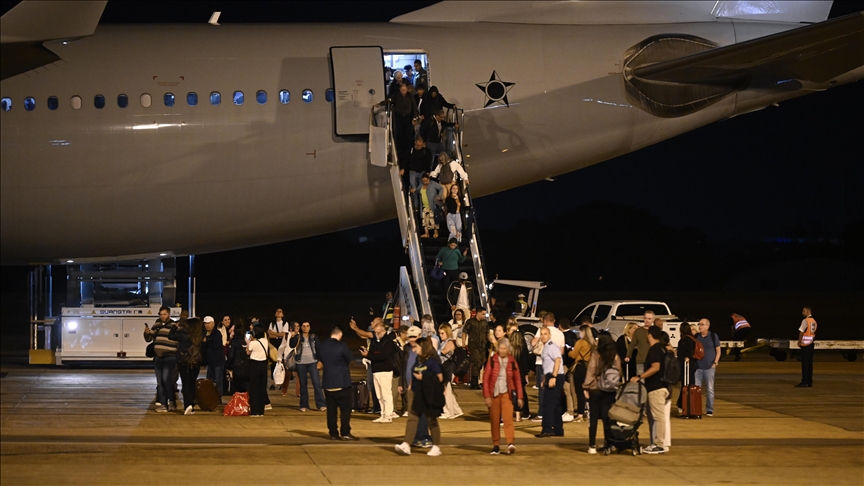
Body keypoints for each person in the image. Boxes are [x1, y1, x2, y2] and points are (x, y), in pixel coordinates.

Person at [395, 337, 445, 456]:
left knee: (431, 419)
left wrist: (424, 378)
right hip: (418, 393)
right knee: (412, 417)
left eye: (416, 347)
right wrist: (411, 387)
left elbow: (440, 378)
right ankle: (407, 444)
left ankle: (436, 446)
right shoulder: (419, 360)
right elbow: (414, 373)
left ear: (423, 347)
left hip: (429, 393)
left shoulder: (432, 361)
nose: (414, 350)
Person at [630, 326, 669, 454]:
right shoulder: (663, 349)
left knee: (658, 417)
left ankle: (658, 444)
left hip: (656, 387)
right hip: (662, 386)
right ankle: (655, 443)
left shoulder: (654, 350)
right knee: (655, 416)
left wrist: (639, 376)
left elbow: (656, 367)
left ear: (650, 335)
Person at [583, 333, 622, 454]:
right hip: (609, 391)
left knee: (593, 418)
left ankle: (592, 445)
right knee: (607, 418)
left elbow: (591, 371)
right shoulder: (615, 356)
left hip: (595, 389)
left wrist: (586, 387)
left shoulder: (596, 354)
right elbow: (619, 373)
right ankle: (608, 444)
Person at [483, 337, 523, 455]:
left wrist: (520, 396)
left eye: (504, 348)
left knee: (508, 419)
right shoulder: (492, 360)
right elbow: (486, 379)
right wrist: (487, 396)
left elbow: (517, 379)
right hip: (494, 393)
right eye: (500, 348)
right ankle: (496, 445)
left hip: (507, 394)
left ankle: (510, 443)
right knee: (494, 420)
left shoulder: (512, 362)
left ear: (508, 349)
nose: (502, 350)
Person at [319, 325, 358, 440]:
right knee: (345, 410)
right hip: (342, 383)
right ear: (339, 334)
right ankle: (345, 432)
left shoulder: (322, 346)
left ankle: (333, 433)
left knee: (331, 411)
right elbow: (350, 360)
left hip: (328, 383)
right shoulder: (342, 346)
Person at [143, 306, 178, 412]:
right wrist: (147, 333)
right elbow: (149, 339)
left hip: (170, 356)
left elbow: (178, 339)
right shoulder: (157, 325)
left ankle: (171, 401)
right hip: (158, 357)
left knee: (166, 380)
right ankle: (163, 404)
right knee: (160, 382)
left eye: (164, 314)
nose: (162, 316)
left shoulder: (174, 325)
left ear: (169, 314)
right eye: (161, 314)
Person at [361, 320, 397, 423]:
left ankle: (388, 415)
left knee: (386, 394)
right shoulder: (376, 341)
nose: (376, 334)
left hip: (385, 370)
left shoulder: (388, 341)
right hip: (376, 370)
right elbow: (375, 353)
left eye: (378, 332)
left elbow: (383, 355)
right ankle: (383, 413)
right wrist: (368, 354)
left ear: (383, 330)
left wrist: (369, 355)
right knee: (379, 394)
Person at [169, 316, 203, 415]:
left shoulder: (183, 334)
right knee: (192, 383)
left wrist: (175, 326)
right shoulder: (199, 336)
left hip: (184, 361)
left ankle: (187, 405)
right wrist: (199, 321)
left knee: (186, 383)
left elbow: (171, 336)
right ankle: (191, 405)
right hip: (196, 362)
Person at [289, 322, 326, 412]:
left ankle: (321, 404)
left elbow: (319, 349)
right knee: (303, 385)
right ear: (301, 328)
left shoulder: (313, 337)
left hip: (313, 362)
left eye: (307, 326)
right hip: (301, 363)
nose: (305, 328)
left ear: (310, 327)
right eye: (304, 326)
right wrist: (293, 336)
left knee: (317, 384)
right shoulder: (298, 337)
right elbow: (292, 345)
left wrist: (320, 361)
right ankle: (304, 405)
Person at [536, 327, 564, 437]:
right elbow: (548, 364)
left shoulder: (551, 346)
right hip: (550, 375)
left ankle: (547, 428)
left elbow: (557, 360)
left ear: (550, 335)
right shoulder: (547, 346)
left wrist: (553, 377)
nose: (543, 336)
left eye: (545, 334)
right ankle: (558, 429)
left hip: (555, 375)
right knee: (555, 404)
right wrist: (544, 378)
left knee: (548, 403)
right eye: (541, 334)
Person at [437, 323, 464, 419]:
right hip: (444, 368)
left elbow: (443, 352)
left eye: (442, 333)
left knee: (446, 391)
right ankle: (457, 410)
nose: (440, 335)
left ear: (447, 333)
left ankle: (449, 412)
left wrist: (433, 350)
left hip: (448, 369)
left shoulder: (450, 342)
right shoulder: (443, 342)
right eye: (439, 333)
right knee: (448, 391)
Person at [506, 318, 531, 420]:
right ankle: (522, 412)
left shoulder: (513, 346)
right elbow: (526, 359)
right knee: (519, 392)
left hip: (516, 372)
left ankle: (521, 411)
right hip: (519, 372)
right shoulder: (521, 345)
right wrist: (526, 373)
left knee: (517, 392)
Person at [695, 318, 720, 416]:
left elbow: (718, 350)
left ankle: (709, 409)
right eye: (699, 324)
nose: (700, 326)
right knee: (697, 389)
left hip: (709, 367)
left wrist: (715, 363)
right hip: (698, 367)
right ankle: (696, 409)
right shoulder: (696, 337)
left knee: (710, 389)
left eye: (702, 324)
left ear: (707, 326)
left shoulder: (713, 336)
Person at [245, 324, 269, 417]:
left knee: (254, 388)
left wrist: (248, 342)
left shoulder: (253, 343)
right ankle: (261, 411)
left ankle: (254, 411)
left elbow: (248, 351)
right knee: (262, 388)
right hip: (263, 365)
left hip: (254, 365)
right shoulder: (265, 341)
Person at [462, 307, 490, 390]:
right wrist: (464, 343)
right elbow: (464, 332)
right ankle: (474, 383)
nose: (484, 316)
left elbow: (487, 333)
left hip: (483, 346)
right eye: (483, 314)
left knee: (482, 362)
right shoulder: (470, 322)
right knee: (477, 362)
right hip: (474, 346)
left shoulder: (485, 323)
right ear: (478, 313)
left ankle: (475, 381)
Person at [391, 83, 419, 162]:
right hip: (399, 118)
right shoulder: (396, 96)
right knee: (399, 134)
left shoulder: (410, 96)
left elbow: (414, 107)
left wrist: (415, 117)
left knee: (408, 135)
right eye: (403, 90)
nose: (404, 92)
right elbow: (390, 101)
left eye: (405, 90)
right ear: (400, 90)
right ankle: (399, 150)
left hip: (408, 117)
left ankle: (407, 149)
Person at [675, 321, 698, 414]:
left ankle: (682, 404)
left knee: (685, 385)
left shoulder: (685, 339)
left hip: (686, 365)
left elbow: (689, 351)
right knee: (689, 385)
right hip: (691, 365)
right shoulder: (692, 338)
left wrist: (687, 358)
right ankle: (687, 404)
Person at [403, 137, 433, 206]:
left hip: (422, 172)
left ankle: (422, 204)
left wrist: (428, 171)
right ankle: (415, 205)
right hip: (413, 171)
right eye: (418, 145)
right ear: (415, 143)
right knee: (414, 188)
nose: (419, 147)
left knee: (422, 189)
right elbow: (406, 159)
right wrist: (403, 168)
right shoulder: (411, 150)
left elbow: (428, 162)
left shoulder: (425, 151)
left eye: (420, 145)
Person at [202, 316, 226, 397]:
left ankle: (218, 397)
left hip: (217, 361)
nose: (207, 325)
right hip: (210, 362)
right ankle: (210, 397)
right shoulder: (205, 333)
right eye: (205, 324)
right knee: (209, 380)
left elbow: (215, 345)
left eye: (208, 323)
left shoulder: (217, 334)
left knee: (218, 380)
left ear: (213, 324)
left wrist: (207, 341)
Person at [268, 308, 291, 389]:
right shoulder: (272, 323)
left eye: (280, 311)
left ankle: (282, 383)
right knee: (273, 362)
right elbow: (269, 335)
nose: (278, 313)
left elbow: (283, 335)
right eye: (277, 311)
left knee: (281, 362)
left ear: (283, 314)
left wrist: (275, 333)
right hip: (273, 343)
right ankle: (273, 383)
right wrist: (278, 334)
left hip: (282, 343)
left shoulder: (285, 323)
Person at [226, 319, 250, 394]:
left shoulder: (233, 342)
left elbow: (231, 355)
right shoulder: (245, 341)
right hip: (246, 366)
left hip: (237, 366)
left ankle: (238, 403)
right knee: (245, 386)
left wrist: (227, 365)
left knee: (236, 387)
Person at [418, 173, 444, 239]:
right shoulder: (421, 185)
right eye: (423, 181)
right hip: (424, 206)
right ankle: (426, 233)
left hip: (432, 205)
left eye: (426, 181)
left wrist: (439, 196)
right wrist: (414, 190)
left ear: (429, 179)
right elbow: (417, 191)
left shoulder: (433, 184)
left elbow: (441, 188)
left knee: (433, 220)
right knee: (425, 221)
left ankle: (436, 233)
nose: (425, 182)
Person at [796, 307, 817, 388]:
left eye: (804, 311)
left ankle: (804, 381)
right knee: (810, 364)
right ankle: (809, 381)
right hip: (811, 343)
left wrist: (799, 341)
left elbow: (801, 332)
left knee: (805, 363)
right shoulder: (814, 321)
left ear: (808, 311)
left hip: (805, 345)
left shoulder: (805, 321)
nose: (802, 312)